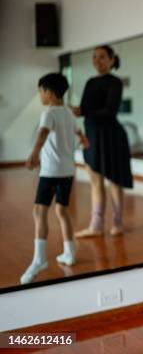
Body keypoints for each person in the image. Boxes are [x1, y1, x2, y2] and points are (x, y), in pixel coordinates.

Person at [21, 73, 89, 284]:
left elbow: (42, 133)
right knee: (61, 210)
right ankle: (69, 252)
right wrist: (83, 140)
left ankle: (39, 258)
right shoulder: (69, 112)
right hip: (67, 171)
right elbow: (78, 131)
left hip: (50, 171)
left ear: (49, 93)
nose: (40, 95)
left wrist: (34, 153)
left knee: (39, 211)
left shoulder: (49, 113)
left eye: (40, 91)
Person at [73, 45, 133, 238]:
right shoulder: (90, 82)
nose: (97, 60)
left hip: (111, 136)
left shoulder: (115, 82)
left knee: (114, 181)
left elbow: (110, 111)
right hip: (92, 136)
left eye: (101, 57)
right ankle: (96, 226)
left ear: (111, 60)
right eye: (94, 57)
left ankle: (118, 223)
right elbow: (84, 108)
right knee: (95, 182)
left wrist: (83, 112)